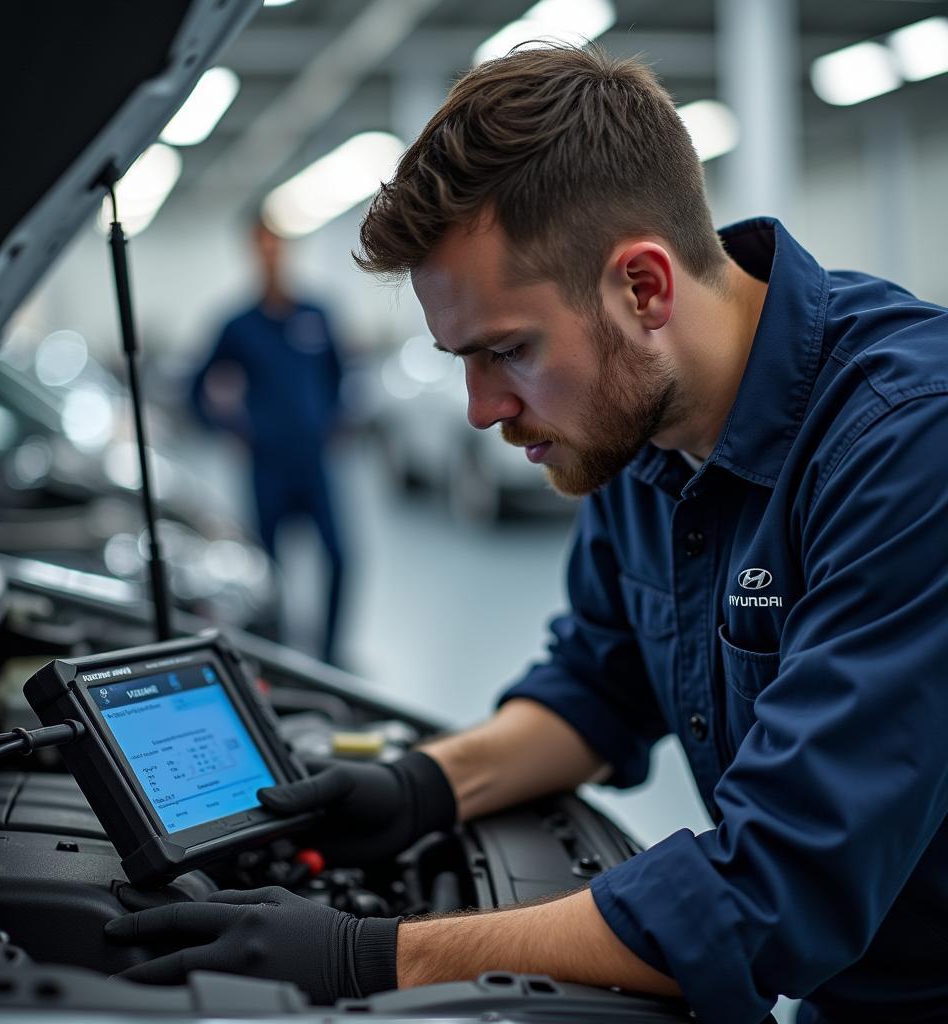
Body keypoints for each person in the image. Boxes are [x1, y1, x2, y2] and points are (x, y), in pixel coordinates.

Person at [109, 46, 948, 1023]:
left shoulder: (908, 445)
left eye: (506, 349)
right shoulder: (640, 426)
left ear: (643, 289)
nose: (478, 409)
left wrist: (365, 955)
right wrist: (421, 786)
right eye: (461, 359)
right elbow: (597, 684)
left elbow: (769, 893)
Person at [190, 218, 346, 664]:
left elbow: (338, 374)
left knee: (340, 557)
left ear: (286, 250)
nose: (270, 254)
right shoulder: (238, 325)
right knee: (269, 569)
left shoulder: (315, 314)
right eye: (261, 246)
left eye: (276, 245)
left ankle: (330, 655)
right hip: (267, 464)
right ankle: (279, 656)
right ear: (252, 253)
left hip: (314, 462)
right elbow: (195, 385)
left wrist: (332, 419)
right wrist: (227, 429)